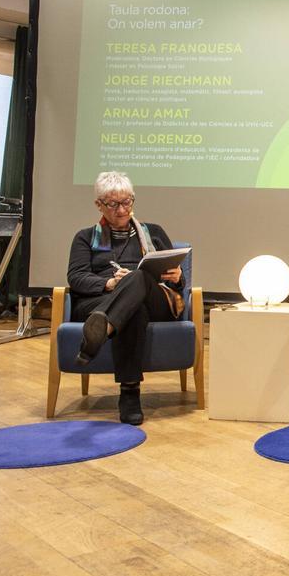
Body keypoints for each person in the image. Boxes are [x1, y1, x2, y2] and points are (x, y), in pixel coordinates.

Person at [66, 171, 186, 425]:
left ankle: (102, 329)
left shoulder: (152, 232)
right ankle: (130, 394)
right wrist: (110, 283)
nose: (122, 210)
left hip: (156, 300)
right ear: (99, 204)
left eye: (127, 202)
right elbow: (76, 278)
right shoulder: (85, 237)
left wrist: (177, 276)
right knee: (133, 309)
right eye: (113, 204)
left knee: (138, 278)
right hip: (100, 301)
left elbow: (177, 277)